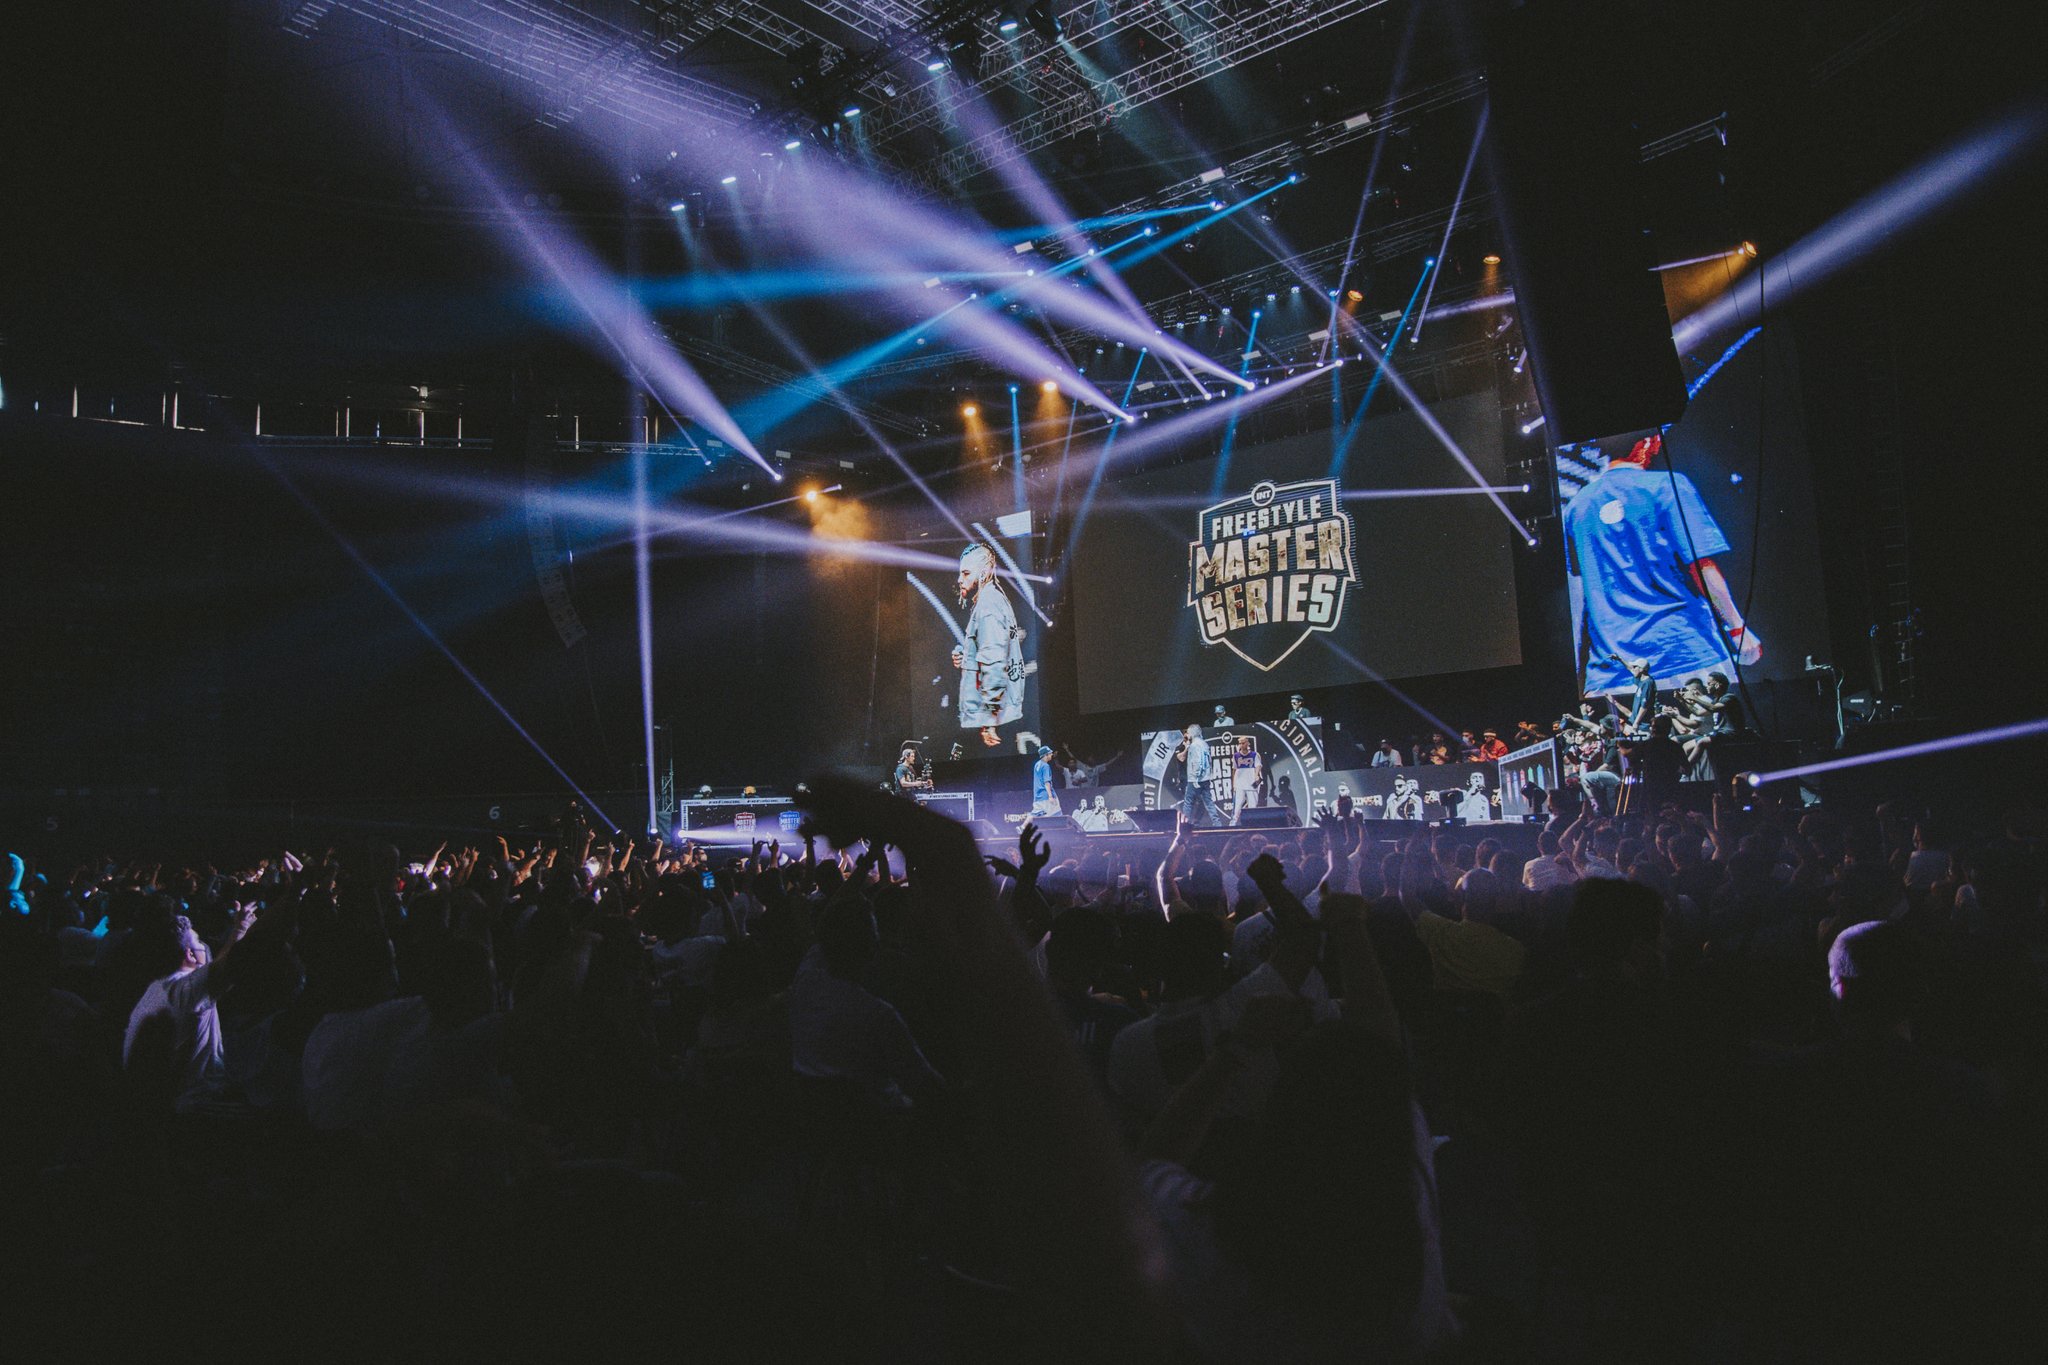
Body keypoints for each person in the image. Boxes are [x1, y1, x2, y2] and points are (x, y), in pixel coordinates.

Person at [1564, 430, 1762, 697]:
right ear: (1646, 443)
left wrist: (1583, 675)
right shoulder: (1668, 485)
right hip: (1685, 654)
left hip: (1611, 674)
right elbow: (1701, 566)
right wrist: (1738, 628)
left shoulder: (1576, 507)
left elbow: (1580, 595)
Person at [952, 541, 1025, 747]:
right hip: (995, 714)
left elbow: (994, 662)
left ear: (985, 572)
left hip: (996, 718)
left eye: (966, 573)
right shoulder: (989, 601)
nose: (959, 579)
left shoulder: (988, 605)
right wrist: (966, 658)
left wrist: (990, 722)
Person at [1177, 724, 1223, 827]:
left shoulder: (1194, 745)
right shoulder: (1204, 744)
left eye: (1188, 732)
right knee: (1209, 802)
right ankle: (1217, 824)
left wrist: (1196, 778)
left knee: (1188, 802)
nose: (1187, 734)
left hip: (1195, 779)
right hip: (1205, 778)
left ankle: (1184, 825)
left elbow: (1198, 762)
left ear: (1192, 733)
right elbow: (1208, 761)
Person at [1228, 734, 1264, 820]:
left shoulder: (1254, 754)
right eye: (1240, 743)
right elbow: (1234, 770)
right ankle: (1234, 821)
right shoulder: (1236, 756)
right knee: (1238, 805)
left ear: (1247, 743)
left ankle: (1253, 822)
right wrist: (1234, 784)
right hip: (1240, 784)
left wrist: (1256, 775)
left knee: (1253, 804)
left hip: (1251, 783)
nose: (1241, 745)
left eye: (1243, 743)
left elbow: (1258, 765)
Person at [1031, 745, 1063, 819]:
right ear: (1046, 755)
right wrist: (1050, 796)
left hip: (1038, 796)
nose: (1051, 754)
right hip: (1046, 796)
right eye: (1050, 753)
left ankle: (1023, 825)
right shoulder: (1046, 766)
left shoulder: (1037, 764)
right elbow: (1046, 782)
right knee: (1057, 815)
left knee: (1035, 816)